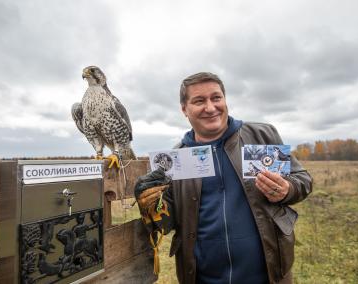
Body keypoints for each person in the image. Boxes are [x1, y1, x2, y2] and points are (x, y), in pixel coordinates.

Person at [134, 72, 312, 284]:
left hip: (268, 275)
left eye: (216, 98)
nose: (210, 107)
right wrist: (151, 203)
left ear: (225, 100)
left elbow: (302, 179)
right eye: (199, 101)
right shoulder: (174, 161)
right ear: (184, 109)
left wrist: (287, 189)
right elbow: (168, 221)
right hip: (204, 278)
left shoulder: (261, 136)